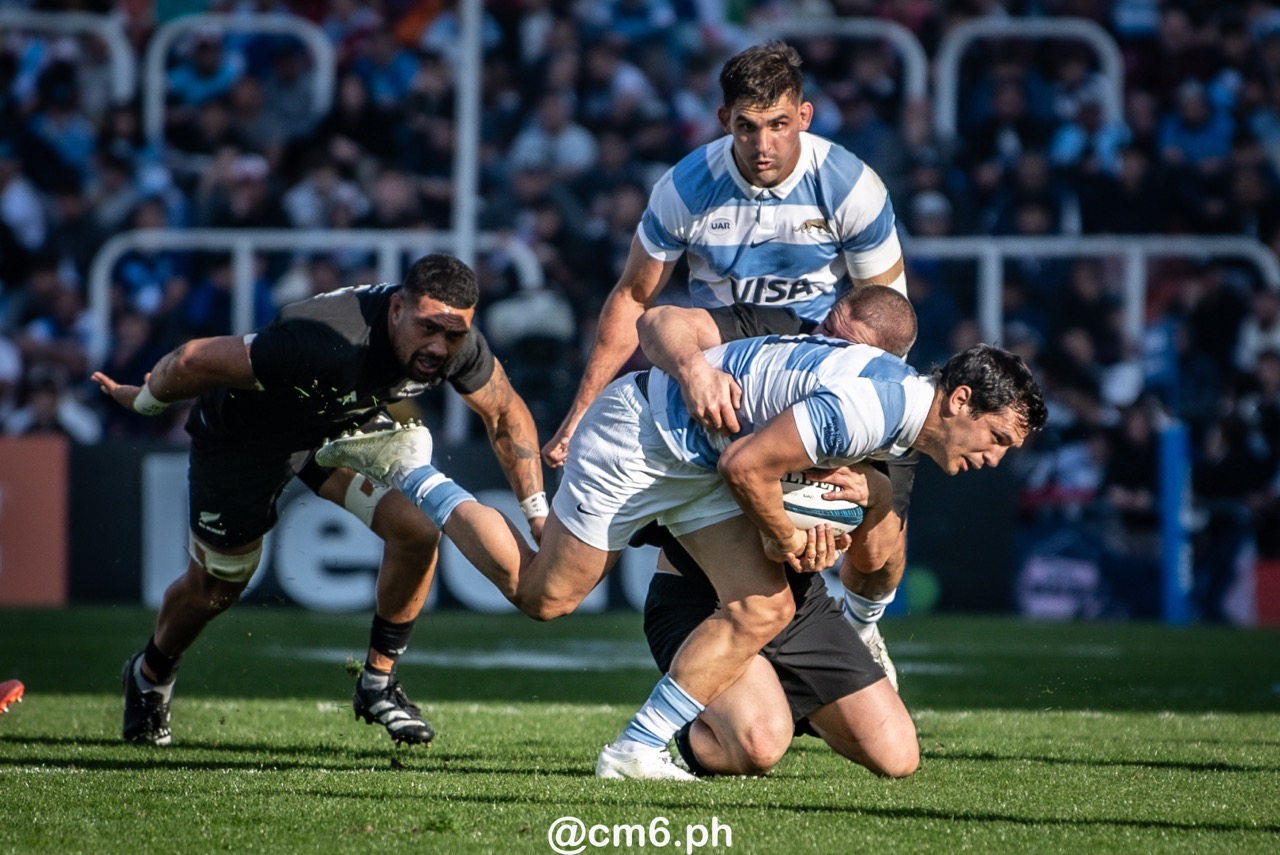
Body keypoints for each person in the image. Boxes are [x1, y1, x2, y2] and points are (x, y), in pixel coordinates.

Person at [316, 339, 1047, 780]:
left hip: (693, 461)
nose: (995, 457)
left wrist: (843, 499)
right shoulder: (877, 408)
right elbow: (748, 466)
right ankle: (414, 471)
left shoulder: (898, 405)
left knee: (766, 603)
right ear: (957, 399)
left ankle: (635, 747)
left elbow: (768, 456)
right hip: (640, 438)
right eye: (998, 438)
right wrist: (790, 536)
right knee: (545, 595)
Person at [539, 41, 911, 679]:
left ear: (806, 116)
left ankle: (863, 627)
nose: (762, 143)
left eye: (778, 124)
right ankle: (717, 672)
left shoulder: (851, 186)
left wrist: (866, 426)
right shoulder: (686, 186)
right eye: (747, 125)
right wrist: (578, 415)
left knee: (878, 539)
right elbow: (633, 297)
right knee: (737, 537)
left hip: (829, 365)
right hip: (728, 370)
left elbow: (888, 316)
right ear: (723, 122)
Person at [92, 254, 546, 747]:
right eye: (428, 328)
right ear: (396, 309)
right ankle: (150, 674)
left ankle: (377, 683)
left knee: (416, 527)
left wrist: (538, 515)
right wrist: (144, 401)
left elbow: (505, 414)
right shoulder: (323, 338)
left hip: (336, 427)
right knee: (219, 587)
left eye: (453, 335)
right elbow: (192, 360)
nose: (439, 347)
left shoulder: (457, 342)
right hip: (246, 437)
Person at [635, 285, 917, 775]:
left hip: (799, 598)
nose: (825, 344)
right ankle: (695, 720)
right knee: (759, 745)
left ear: (885, 365)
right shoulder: (782, 335)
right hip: (699, 591)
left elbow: (873, 561)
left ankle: (780, 696)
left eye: (846, 344)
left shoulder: (894, 417)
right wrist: (694, 370)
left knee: (898, 758)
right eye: (828, 327)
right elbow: (660, 321)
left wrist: (875, 496)